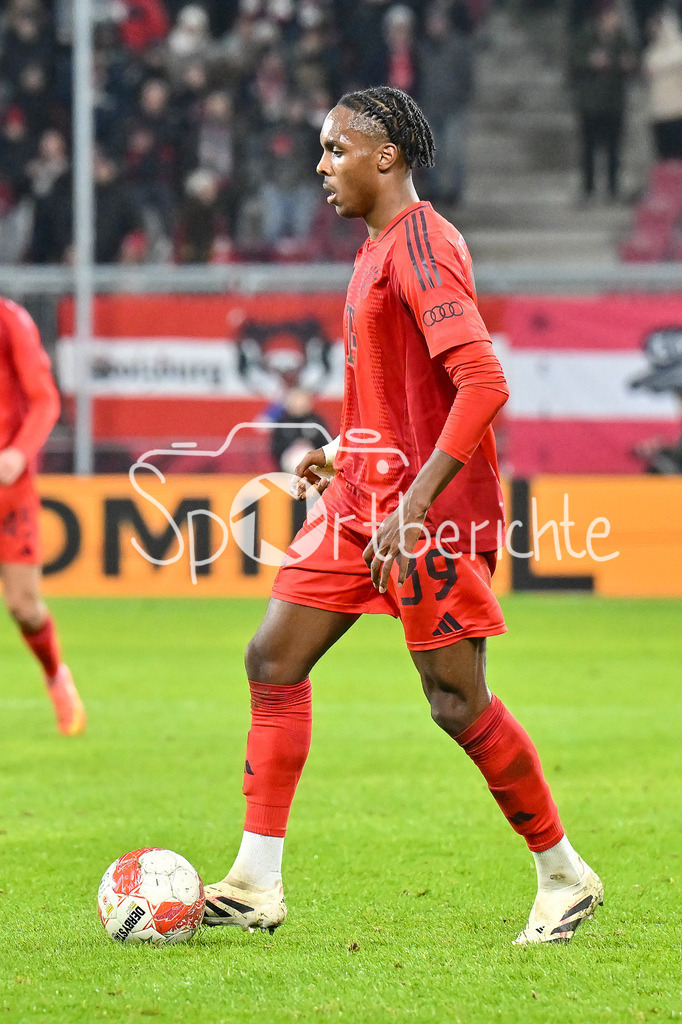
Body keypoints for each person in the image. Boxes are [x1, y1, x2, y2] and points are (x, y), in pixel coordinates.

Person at [202, 86, 603, 944]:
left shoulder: (424, 245)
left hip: (429, 518)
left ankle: (563, 874)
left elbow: (483, 383)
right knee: (272, 660)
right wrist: (343, 451)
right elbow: (398, 393)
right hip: (362, 503)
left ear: (386, 156)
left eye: (335, 149)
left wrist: (415, 504)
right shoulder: (375, 248)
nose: (321, 166)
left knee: (455, 703)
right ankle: (255, 881)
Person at [0, 297, 86, 736]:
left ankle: (56, 676)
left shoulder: (10, 321)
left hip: (9, 491)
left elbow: (45, 399)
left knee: (24, 606)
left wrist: (18, 452)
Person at [568, 6, 638, 202]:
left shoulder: (622, 40)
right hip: (590, 103)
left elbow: (634, 62)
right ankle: (588, 188)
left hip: (614, 103)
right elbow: (572, 63)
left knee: (614, 149)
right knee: (589, 148)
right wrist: (590, 62)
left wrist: (628, 65)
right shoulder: (585, 38)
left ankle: (612, 188)